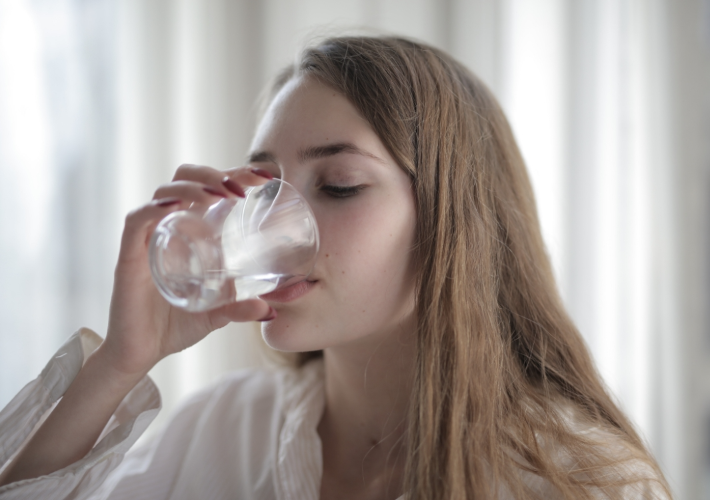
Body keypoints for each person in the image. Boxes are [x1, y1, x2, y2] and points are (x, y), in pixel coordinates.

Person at [0, 36, 671, 500]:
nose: (268, 222)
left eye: (340, 184)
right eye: (261, 187)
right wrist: (119, 364)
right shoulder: (224, 431)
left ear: (451, 221)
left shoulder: (582, 481)